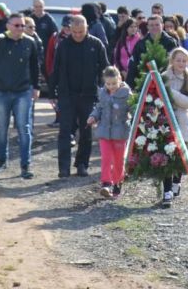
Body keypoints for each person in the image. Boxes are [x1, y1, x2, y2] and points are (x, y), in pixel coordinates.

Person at [0, 13, 40, 179]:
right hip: (2, 91)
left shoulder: (30, 42)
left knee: (24, 128)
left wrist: (36, 87)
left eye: (22, 25)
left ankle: (26, 165)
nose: (20, 28)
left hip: (23, 91)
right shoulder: (1, 39)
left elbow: (34, 66)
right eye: (17, 25)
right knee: (2, 128)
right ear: (8, 26)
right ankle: (2, 159)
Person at [50, 15, 109, 177]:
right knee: (65, 131)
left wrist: (108, 88)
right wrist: (51, 92)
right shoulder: (63, 45)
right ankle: (63, 167)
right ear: (70, 29)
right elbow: (55, 68)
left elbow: (105, 69)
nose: (77, 35)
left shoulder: (96, 44)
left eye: (80, 32)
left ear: (86, 29)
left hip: (88, 95)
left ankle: (82, 164)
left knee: (86, 131)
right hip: (66, 94)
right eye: (74, 32)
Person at [161, 48, 188, 207]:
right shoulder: (164, 77)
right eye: (178, 60)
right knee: (166, 156)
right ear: (172, 61)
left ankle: (177, 182)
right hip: (166, 121)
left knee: (179, 156)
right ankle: (167, 190)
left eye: (184, 60)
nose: (181, 63)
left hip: (183, 121)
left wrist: (172, 94)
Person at [87, 66, 131, 199]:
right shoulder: (103, 93)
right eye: (108, 83)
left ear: (120, 79)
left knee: (118, 160)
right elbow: (99, 108)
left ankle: (118, 183)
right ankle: (106, 183)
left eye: (114, 83)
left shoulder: (126, 94)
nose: (111, 86)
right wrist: (93, 116)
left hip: (120, 133)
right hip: (104, 131)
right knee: (106, 158)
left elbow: (133, 108)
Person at [126, 15, 178, 88]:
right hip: (145, 84)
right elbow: (133, 67)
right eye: (151, 25)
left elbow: (176, 64)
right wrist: (130, 87)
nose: (154, 27)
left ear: (162, 25)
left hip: (167, 84)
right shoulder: (141, 44)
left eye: (157, 25)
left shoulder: (171, 43)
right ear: (147, 27)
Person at [45, 15, 72, 129]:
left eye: (69, 26)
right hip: (57, 73)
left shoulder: (77, 37)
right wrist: (50, 72)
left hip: (71, 74)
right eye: (65, 26)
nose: (67, 28)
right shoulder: (55, 37)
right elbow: (49, 55)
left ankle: (70, 120)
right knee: (56, 97)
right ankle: (58, 118)